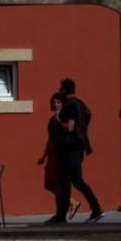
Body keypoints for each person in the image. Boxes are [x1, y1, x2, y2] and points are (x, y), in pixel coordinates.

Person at [45, 78, 103, 224]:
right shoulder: (82, 104)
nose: (59, 91)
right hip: (76, 148)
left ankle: (65, 215)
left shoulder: (70, 106)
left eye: (60, 89)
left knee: (71, 182)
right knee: (73, 182)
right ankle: (90, 210)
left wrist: (58, 119)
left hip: (70, 149)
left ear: (65, 90)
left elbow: (69, 127)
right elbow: (87, 117)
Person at [37, 91, 81, 219]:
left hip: (60, 154)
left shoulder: (63, 118)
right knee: (48, 184)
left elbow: (68, 130)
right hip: (51, 154)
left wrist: (59, 120)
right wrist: (44, 156)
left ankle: (64, 209)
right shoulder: (51, 120)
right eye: (53, 102)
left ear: (63, 104)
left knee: (55, 184)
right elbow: (50, 139)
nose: (55, 104)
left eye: (58, 102)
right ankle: (70, 203)